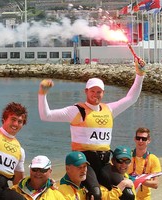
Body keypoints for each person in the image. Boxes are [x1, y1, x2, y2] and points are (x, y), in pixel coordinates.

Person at [38, 58, 146, 199]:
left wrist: (140, 74)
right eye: (93, 91)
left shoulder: (109, 110)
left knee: (128, 193)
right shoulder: (76, 111)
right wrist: (42, 94)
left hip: (104, 163)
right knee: (96, 194)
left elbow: (131, 98)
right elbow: (46, 116)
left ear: (103, 93)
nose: (96, 94)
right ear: (86, 91)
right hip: (85, 164)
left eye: (99, 91)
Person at [127, 127, 161, 200]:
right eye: (138, 138)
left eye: (144, 139)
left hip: (144, 197)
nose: (140, 141)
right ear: (135, 139)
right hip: (127, 195)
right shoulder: (127, 155)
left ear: (148, 141)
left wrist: (139, 180)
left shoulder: (153, 159)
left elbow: (156, 184)